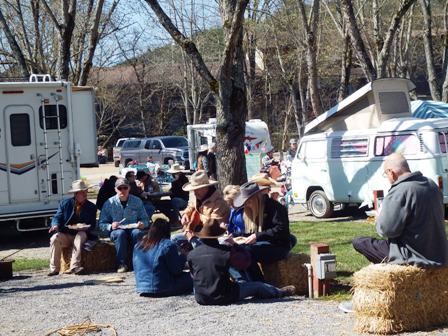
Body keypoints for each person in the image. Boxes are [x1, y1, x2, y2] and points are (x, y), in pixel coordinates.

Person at [352, 152, 448, 267]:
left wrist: (379, 218)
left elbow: (387, 230)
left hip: (412, 255)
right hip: (438, 253)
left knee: (359, 242)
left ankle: (390, 270)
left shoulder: (400, 190)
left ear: (391, 172)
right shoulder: (431, 185)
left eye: (385, 174)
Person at [187, 218, 296, 305]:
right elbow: (246, 262)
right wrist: (234, 244)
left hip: (201, 297)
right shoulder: (225, 252)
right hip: (224, 295)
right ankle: (279, 292)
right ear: (218, 236)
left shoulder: (192, 254)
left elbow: (193, 275)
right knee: (257, 286)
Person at [232, 181, 294, 281]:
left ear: (255, 198)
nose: (246, 205)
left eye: (248, 201)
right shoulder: (254, 209)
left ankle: (260, 285)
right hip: (264, 242)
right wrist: (234, 235)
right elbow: (251, 232)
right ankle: (243, 280)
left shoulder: (276, 208)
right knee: (235, 250)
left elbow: (281, 230)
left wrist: (257, 236)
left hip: (279, 245)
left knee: (248, 252)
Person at [99, 177, 149, 273]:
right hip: (116, 230)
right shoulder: (109, 203)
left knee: (137, 233)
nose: (122, 190)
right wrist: (111, 226)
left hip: (133, 228)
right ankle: (121, 264)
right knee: (120, 234)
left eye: (125, 188)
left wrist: (143, 224)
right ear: (115, 189)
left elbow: (145, 219)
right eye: (119, 188)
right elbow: (101, 224)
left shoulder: (137, 201)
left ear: (129, 188)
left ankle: (137, 262)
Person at [48, 180, 97, 276]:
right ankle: (54, 269)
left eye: (85, 191)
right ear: (76, 193)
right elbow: (57, 216)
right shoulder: (65, 204)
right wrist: (55, 225)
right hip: (66, 234)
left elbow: (93, 225)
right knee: (54, 238)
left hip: (81, 234)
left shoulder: (92, 207)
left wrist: (85, 227)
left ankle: (75, 266)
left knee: (80, 236)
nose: (85, 194)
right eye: (82, 192)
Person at [133, 219, 193, 297]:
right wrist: (183, 255)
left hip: (141, 288)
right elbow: (176, 270)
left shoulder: (138, 245)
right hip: (162, 287)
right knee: (195, 276)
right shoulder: (168, 245)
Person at [180, 170, 230, 242]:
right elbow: (191, 206)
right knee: (174, 239)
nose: (195, 192)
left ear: (206, 187)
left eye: (197, 189)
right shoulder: (199, 197)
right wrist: (186, 214)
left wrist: (197, 217)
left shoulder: (218, 203)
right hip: (197, 232)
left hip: (212, 238)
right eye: (194, 189)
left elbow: (212, 226)